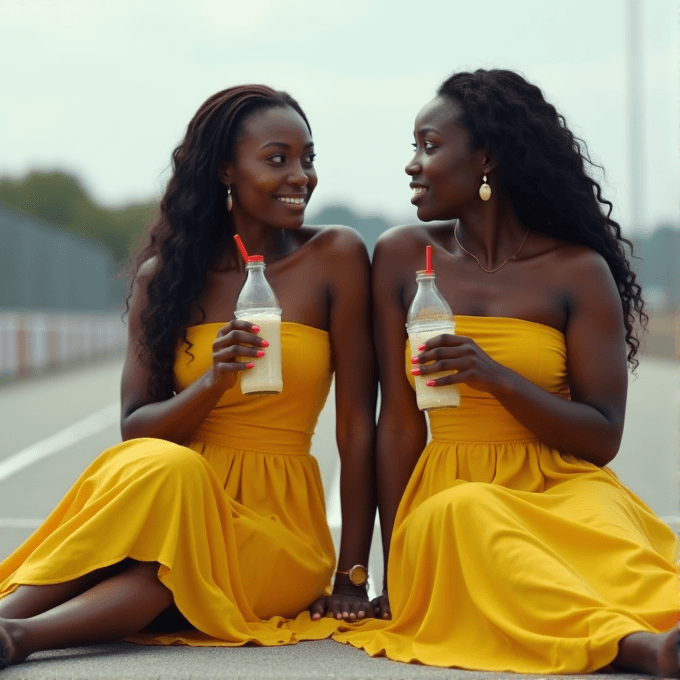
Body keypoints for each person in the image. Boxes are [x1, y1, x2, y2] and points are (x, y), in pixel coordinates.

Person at [0, 85, 377, 668]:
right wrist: (212, 384)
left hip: (278, 524)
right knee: (166, 466)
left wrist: (352, 575)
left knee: (173, 565)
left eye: (308, 159)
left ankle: (19, 637)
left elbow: (356, 427)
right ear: (226, 169)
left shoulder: (336, 257)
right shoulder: (167, 276)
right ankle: (9, 623)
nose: (299, 175)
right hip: (174, 487)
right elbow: (136, 428)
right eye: (276, 159)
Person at [334, 69, 679, 676]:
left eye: (429, 146)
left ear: (487, 159)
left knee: (630, 558)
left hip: (562, 484)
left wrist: (498, 378)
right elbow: (397, 426)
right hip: (452, 498)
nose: (413, 164)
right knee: (473, 514)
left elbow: (601, 438)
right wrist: (394, 569)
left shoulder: (577, 271)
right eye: (414, 147)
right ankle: (637, 650)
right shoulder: (398, 255)